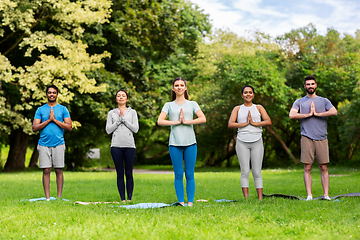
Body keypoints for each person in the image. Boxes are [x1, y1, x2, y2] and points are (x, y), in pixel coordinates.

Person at [157, 77, 206, 206]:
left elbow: (203, 118)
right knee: (178, 174)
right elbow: (160, 121)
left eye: (181, 85)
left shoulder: (192, 104)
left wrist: (187, 121)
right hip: (174, 144)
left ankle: (190, 203)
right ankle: (181, 202)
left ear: (185, 88)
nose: (179, 87)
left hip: (190, 143)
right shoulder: (168, 105)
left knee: (190, 174)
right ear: (173, 88)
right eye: (176, 85)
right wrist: (177, 122)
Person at [289, 75, 337, 201]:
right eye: (308, 84)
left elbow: (334, 111)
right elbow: (292, 115)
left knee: (323, 167)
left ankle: (326, 195)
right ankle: (309, 195)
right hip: (306, 137)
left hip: (321, 137)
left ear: (316, 85)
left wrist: (317, 114)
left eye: (312, 84)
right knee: (307, 167)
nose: (310, 86)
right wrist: (308, 114)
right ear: (305, 86)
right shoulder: (299, 101)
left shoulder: (324, 100)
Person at [228, 85, 271, 200]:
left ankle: (260, 198)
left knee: (257, 171)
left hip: (257, 140)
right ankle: (246, 198)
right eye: (245, 92)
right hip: (242, 142)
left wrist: (254, 123)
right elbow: (230, 124)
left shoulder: (259, 107)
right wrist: (245, 124)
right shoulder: (237, 109)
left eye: (250, 92)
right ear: (242, 95)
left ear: (253, 95)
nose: (248, 94)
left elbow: (268, 121)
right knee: (245, 171)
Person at [32, 85, 72, 201]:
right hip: (44, 144)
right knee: (46, 170)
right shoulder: (40, 110)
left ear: (57, 94)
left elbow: (69, 127)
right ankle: (48, 198)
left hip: (59, 143)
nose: (52, 94)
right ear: (46, 94)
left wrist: (54, 120)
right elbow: (35, 127)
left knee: (59, 169)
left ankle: (59, 198)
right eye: (49, 92)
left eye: (54, 92)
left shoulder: (63, 109)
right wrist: (49, 120)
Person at [106, 89, 139, 202]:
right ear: (116, 99)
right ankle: (122, 199)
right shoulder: (111, 113)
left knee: (129, 172)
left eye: (123, 95)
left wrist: (124, 119)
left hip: (130, 146)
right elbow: (108, 130)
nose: (121, 97)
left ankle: (129, 198)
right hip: (116, 146)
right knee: (120, 173)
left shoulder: (132, 112)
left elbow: (136, 129)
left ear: (127, 98)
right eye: (118, 96)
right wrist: (118, 120)